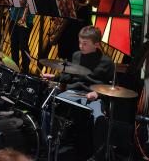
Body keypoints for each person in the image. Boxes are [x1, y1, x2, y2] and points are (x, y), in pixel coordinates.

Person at [44, 26, 114, 159]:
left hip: (93, 96)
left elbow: (111, 87)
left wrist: (97, 94)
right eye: (80, 42)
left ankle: (96, 156)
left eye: (85, 44)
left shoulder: (107, 62)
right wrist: (54, 77)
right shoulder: (76, 55)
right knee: (48, 106)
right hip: (73, 93)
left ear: (97, 44)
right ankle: (50, 145)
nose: (81, 46)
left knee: (99, 118)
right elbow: (69, 76)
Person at [9, 0, 41, 72]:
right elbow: (10, 1)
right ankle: (15, 70)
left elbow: (37, 2)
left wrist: (26, 0)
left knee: (23, 46)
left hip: (26, 20)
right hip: (14, 18)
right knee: (13, 46)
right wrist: (16, 1)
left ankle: (25, 71)